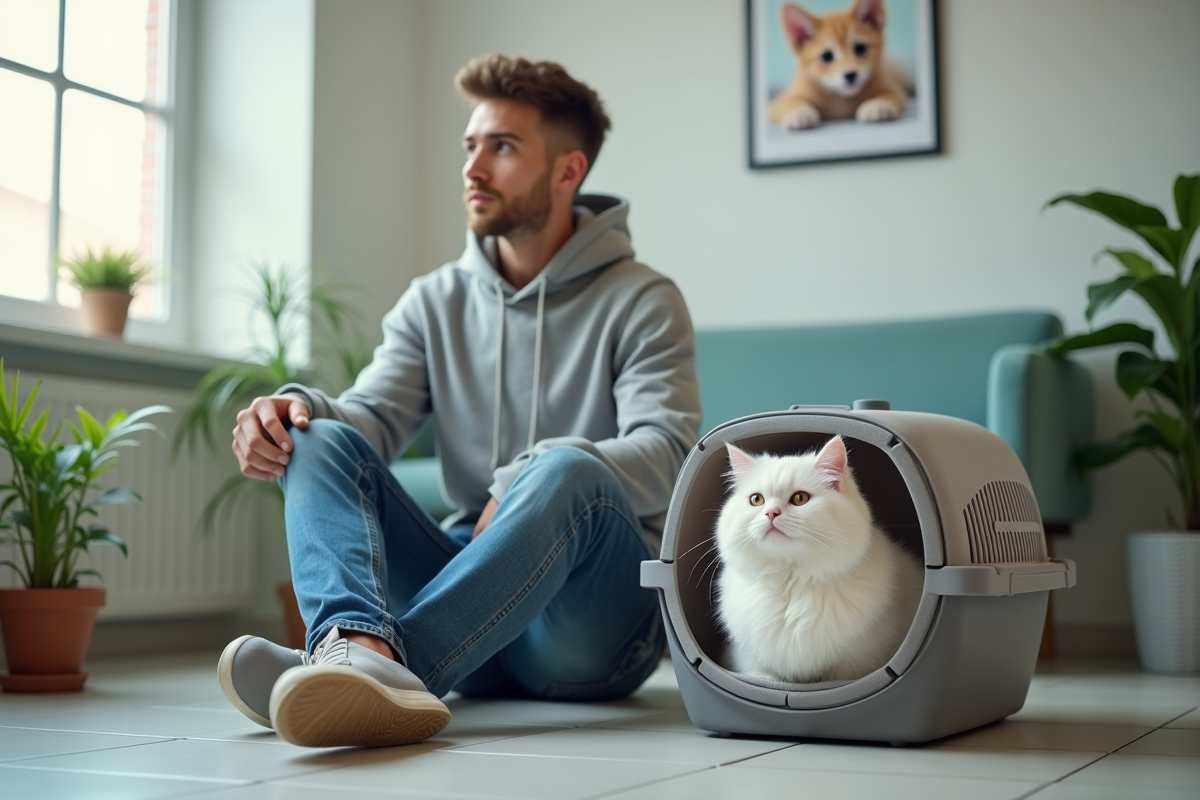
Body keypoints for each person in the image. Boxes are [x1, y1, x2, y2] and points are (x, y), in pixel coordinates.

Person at [216, 54, 701, 748]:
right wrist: (289, 411)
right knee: (318, 433)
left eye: (502, 148)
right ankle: (355, 651)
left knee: (571, 473)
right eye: (470, 146)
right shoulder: (433, 300)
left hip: (588, 629)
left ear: (568, 171)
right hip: (470, 606)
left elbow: (672, 453)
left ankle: (366, 667)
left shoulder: (645, 299)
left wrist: (527, 473)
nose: (473, 169)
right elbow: (369, 421)